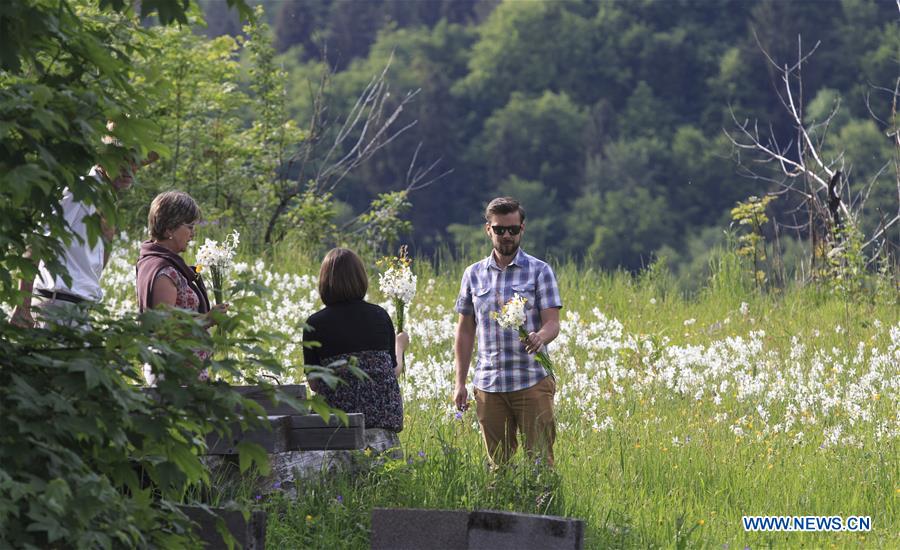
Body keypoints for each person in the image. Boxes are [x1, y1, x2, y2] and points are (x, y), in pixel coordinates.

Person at [453, 197, 562, 466]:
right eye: (500, 229)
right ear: (488, 229)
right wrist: (460, 382)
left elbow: (553, 323)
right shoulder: (473, 275)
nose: (507, 236)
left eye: (513, 229)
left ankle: (543, 507)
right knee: (498, 465)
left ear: (522, 229)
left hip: (531, 380)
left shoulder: (540, 271)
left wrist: (540, 337)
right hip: (489, 384)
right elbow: (465, 331)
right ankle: (499, 507)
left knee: (540, 462)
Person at [9, 160, 143, 329]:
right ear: (103, 161)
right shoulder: (77, 193)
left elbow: (93, 266)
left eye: (135, 163)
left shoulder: (104, 200)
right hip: (54, 308)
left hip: (78, 311)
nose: (129, 170)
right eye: (122, 163)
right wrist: (22, 307)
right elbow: (37, 244)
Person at [302, 247, 409, 455]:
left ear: (324, 282)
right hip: (382, 417)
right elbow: (392, 372)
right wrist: (400, 346)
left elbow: (315, 385)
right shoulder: (380, 316)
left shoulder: (314, 324)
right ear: (360, 279)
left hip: (336, 420)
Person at [135, 191, 225, 382]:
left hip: (185, 369)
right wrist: (207, 319)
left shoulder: (160, 263)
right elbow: (164, 328)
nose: (193, 233)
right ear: (169, 229)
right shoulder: (163, 271)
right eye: (189, 226)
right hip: (174, 373)